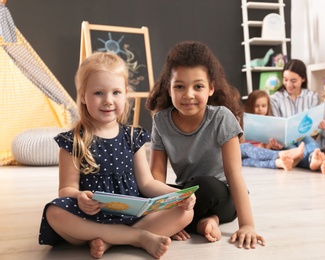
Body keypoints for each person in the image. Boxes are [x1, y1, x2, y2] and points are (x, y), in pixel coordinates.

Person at [38, 52, 196, 259]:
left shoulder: (133, 136)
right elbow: (66, 189)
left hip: (131, 214)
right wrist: (79, 197)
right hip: (89, 216)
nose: (108, 101)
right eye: (98, 93)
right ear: (83, 95)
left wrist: (177, 195)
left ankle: (111, 240)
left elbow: (147, 184)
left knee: (186, 212)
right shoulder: (73, 141)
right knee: (54, 213)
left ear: (126, 93)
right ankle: (139, 238)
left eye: (116, 92)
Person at [145, 41, 265, 249]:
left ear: (211, 88)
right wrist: (163, 208)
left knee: (205, 186)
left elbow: (234, 174)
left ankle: (193, 220)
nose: (188, 94)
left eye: (198, 86)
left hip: (223, 195)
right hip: (187, 195)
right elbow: (156, 176)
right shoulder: (161, 121)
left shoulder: (222, 118)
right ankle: (205, 222)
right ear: (169, 88)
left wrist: (247, 225)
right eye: (179, 86)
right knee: (143, 190)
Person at [269, 59, 325, 174]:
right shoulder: (275, 99)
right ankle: (316, 163)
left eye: (293, 81)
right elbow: (276, 126)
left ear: (303, 79)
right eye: (285, 80)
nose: (288, 84)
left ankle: (316, 160)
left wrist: (319, 126)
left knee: (307, 140)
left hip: (306, 137)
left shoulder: (312, 96)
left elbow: (314, 130)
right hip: (286, 142)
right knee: (293, 150)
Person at [240, 90, 304, 170]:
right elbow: (241, 144)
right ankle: (282, 158)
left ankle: (279, 163)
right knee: (246, 158)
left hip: (263, 151)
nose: (260, 109)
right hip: (250, 150)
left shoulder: (270, 122)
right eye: (256, 106)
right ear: (250, 106)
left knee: (249, 161)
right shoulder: (244, 121)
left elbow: (268, 143)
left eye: (263, 106)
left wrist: (267, 146)